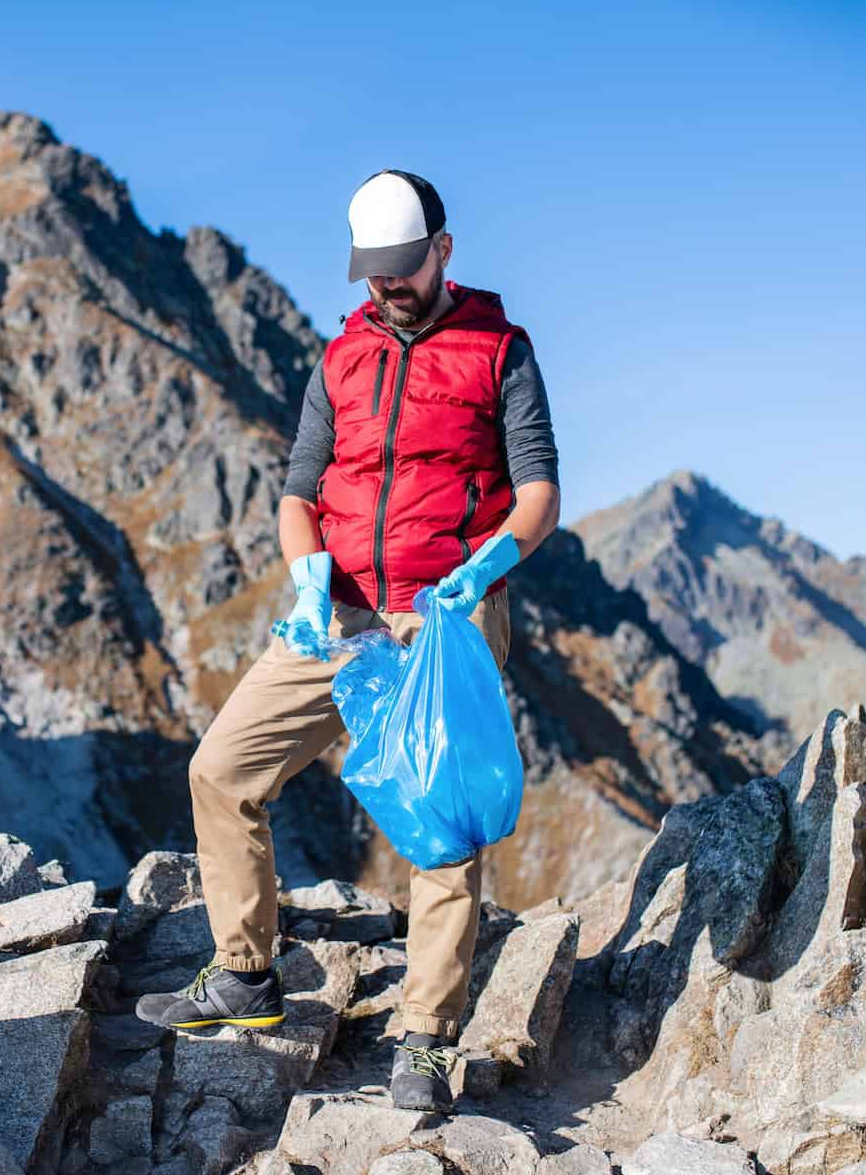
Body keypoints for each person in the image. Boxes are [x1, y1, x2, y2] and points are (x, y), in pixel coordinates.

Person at [134, 170, 562, 1112]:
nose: (385, 288)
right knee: (222, 769)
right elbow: (299, 491)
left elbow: (538, 496)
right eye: (372, 273)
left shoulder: (501, 353)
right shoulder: (341, 359)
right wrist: (307, 577)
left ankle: (426, 1037)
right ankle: (245, 975)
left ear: (442, 251)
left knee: (439, 823)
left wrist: (483, 573)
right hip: (338, 615)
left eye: (401, 269)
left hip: (441, 616)